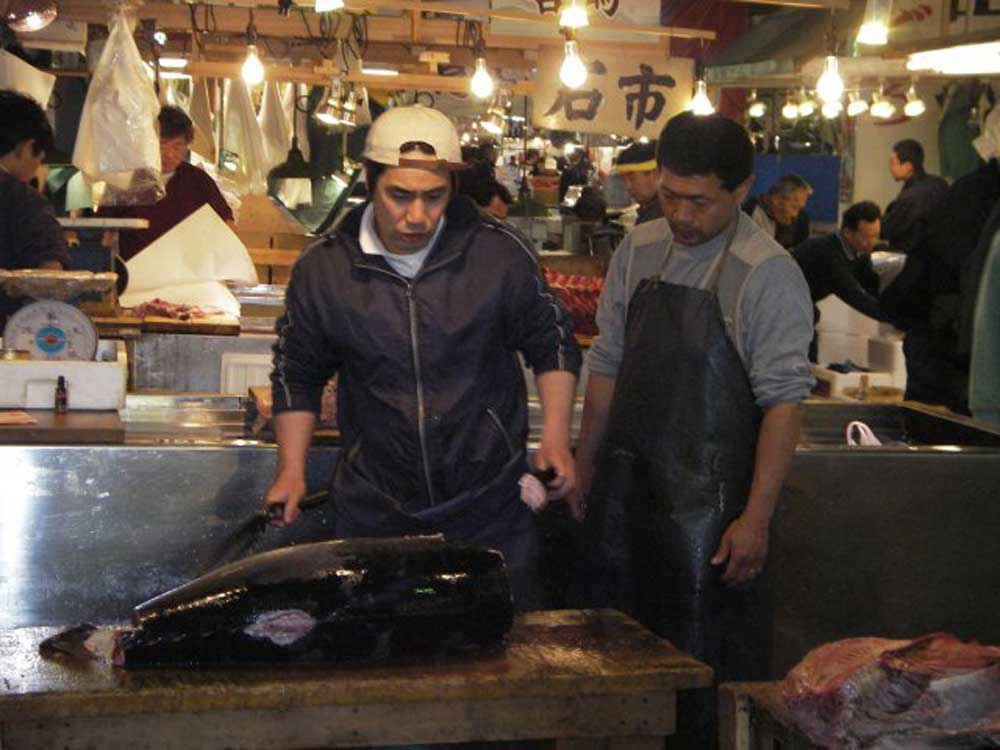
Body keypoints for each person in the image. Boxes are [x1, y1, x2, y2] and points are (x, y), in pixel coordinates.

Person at [265, 105, 581, 610]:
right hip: (375, 509)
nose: (417, 215)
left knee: (497, 660)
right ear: (369, 183)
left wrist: (558, 440)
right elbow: (296, 372)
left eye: (433, 197)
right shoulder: (324, 268)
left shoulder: (498, 254)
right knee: (385, 659)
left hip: (489, 507)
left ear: (452, 188)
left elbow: (553, 342)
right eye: (400, 195)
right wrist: (292, 469)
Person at [571, 112, 813, 750]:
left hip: (712, 521)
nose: (680, 215)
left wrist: (755, 518)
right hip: (629, 502)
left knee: (701, 688)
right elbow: (607, 363)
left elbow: (785, 403)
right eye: (669, 194)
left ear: (741, 191)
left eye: (698, 201)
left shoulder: (766, 274)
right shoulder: (640, 248)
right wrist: (585, 464)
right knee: (616, 680)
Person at [102, 106, 234, 260]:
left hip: (186, 275)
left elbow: (227, 224)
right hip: (136, 275)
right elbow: (103, 231)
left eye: (177, 146)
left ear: (187, 146)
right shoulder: (126, 179)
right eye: (162, 145)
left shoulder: (198, 180)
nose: (169, 154)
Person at [0, 89, 71, 328]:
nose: (35, 168)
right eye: (38, 158)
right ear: (28, 147)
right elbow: (50, 279)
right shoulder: (23, 201)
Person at [792, 201, 889, 362]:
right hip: (783, 312)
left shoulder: (855, 251)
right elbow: (855, 295)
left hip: (802, 310)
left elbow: (870, 285)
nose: (871, 243)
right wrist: (896, 317)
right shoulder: (828, 254)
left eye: (875, 236)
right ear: (848, 233)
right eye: (866, 237)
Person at [881, 139, 948, 253]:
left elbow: (886, 230)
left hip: (914, 259)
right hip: (939, 254)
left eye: (893, 163)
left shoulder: (911, 197)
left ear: (907, 166)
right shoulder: (939, 183)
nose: (890, 168)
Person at [742, 173, 812, 249]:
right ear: (776, 199)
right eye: (794, 207)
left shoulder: (801, 218)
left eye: (800, 207)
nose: (795, 215)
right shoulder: (749, 214)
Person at [614, 139, 662, 225]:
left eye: (632, 178)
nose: (627, 186)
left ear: (656, 174)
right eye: (623, 179)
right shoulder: (650, 212)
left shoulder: (660, 220)